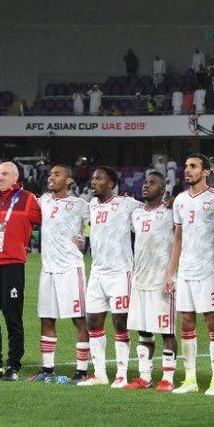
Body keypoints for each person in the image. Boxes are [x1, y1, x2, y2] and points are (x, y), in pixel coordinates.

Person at [164, 153, 214, 395]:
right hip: (186, 272)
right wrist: (171, 273)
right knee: (187, 323)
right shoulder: (180, 200)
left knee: (212, 322)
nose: (187, 170)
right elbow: (178, 238)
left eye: (193, 166)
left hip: (209, 270)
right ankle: (190, 379)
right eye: (186, 166)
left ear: (206, 172)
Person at [0, 160, 42, 381]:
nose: (0, 177)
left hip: (12, 266)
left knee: (12, 317)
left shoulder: (28, 200)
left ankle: (13, 365)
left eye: (5, 174)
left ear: (16, 177)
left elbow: (51, 221)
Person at [30, 164, 92, 384]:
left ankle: (82, 371)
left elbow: (100, 218)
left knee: (79, 319)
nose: (51, 177)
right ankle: (48, 369)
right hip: (48, 270)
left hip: (70, 269)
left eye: (57, 174)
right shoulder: (43, 201)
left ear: (68, 180)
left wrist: (84, 238)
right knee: (46, 318)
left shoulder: (79, 204)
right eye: (50, 174)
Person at [84, 166, 141, 387]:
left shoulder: (127, 205)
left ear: (111, 184)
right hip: (97, 272)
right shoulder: (91, 206)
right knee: (93, 321)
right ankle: (100, 374)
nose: (93, 181)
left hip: (120, 273)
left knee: (120, 322)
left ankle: (121, 373)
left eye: (99, 178)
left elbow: (149, 213)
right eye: (92, 178)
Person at [127, 171, 178, 391]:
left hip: (162, 281)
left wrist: (172, 275)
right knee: (143, 331)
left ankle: (168, 378)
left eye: (153, 183)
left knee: (167, 331)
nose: (147, 186)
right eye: (146, 182)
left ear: (163, 190)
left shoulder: (169, 213)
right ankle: (145, 376)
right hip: (139, 280)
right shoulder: (136, 215)